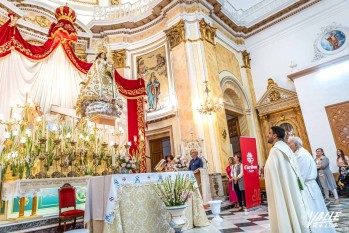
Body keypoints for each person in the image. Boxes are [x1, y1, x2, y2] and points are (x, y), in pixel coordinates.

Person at [265, 126, 310, 233]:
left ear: (275, 135)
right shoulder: (287, 149)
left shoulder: (276, 150)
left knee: (285, 210)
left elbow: (269, 171)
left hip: (282, 189)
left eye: (269, 133)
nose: (268, 135)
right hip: (291, 187)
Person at [288, 137, 336, 233]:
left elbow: (300, 176)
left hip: (307, 187)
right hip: (309, 186)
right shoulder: (300, 153)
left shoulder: (301, 155)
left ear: (296, 144)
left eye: (289, 143)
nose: (288, 145)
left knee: (312, 211)